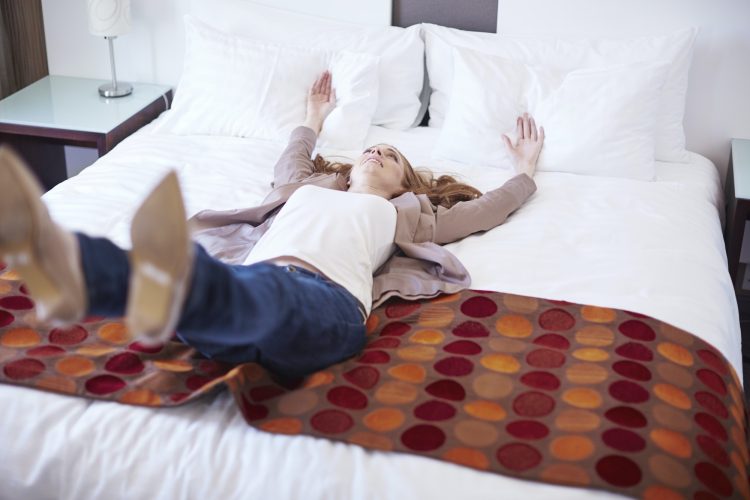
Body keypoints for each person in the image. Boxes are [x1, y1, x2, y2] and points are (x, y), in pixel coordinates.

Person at [0, 71, 544, 380]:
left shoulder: (411, 217)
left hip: (327, 305)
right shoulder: (305, 189)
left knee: (220, 288)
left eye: (391, 155)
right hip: (256, 285)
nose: (376, 151)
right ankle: (65, 253)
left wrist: (525, 170)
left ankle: (108, 270)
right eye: (369, 148)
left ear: (405, 182)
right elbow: (294, 160)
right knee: (212, 293)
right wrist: (312, 117)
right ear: (350, 165)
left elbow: (486, 209)